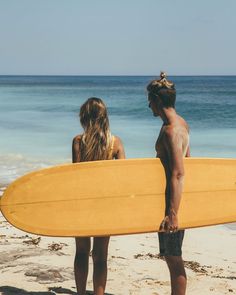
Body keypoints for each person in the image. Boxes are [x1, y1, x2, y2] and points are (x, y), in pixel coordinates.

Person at [72, 97, 125, 295]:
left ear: (84, 117)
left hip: (83, 204)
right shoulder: (115, 143)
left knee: (81, 252)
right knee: (101, 256)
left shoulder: (78, 142)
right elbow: (123, 177)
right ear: (104, 117)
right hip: (105, 205)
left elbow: (75, 177)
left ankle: (80, 293)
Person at [147, 72, 190, 295]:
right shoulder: (181, 123)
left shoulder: (171, 130)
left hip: (170, 205)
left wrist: (172, 213)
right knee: (172, 257)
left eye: (150, 100)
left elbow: (178, 173)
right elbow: (190, 160)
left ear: (158, 100)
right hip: (175, 201)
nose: (148, 106)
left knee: (174, 259)